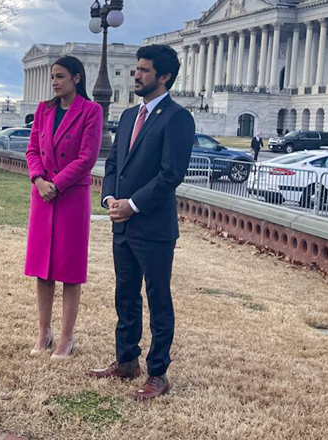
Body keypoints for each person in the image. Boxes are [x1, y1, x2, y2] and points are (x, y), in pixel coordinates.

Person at [87, 45, 194, 400]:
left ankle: (158, 373)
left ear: (164, 77)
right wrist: (110, 199)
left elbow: (171, 174)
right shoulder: (131, 116)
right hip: (122, 223)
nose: (136, 75)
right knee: (125, 295)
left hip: (154, 227)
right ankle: (126, 360)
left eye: (144, 70)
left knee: (158, 298)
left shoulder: (178, 118)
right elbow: (115, 162)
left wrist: (133, 204)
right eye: (137, 69)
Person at [24, 56, 103, 360]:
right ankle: (44, 332)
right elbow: (32, 150)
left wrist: (55, 183)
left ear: (77, 78)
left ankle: (66, 338)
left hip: (70, 198)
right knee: (42, 269)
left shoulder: (91, 111)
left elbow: (87, 158)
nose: (55, 82)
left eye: (60, 76)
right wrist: (39, 180)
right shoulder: (44, 110)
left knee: (69, 271)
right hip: (42, 196)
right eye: (52, 77)